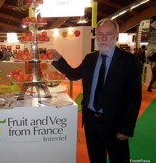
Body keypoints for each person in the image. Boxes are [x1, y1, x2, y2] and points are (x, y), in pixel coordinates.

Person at [51, 18, 142, 163]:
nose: (104, 38)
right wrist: (59, 59)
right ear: (96, 36)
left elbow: (134, 97)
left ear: (116, 36)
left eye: (108, 34)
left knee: (119, 159)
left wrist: (127, 128)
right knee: (95, 158)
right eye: (100, 34)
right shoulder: (90, 58)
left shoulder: (128, 60)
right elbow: (74, 74)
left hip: (115, 123)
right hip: (91, 121)